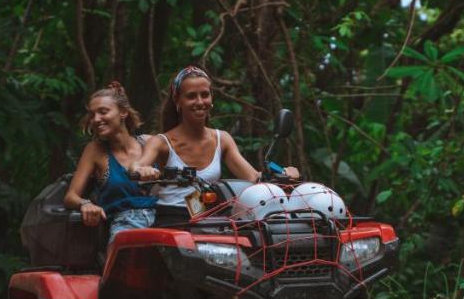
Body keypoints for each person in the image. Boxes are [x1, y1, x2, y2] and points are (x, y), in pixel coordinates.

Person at [132, 65, 296, 224]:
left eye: (205, 95)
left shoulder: (221, 139)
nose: (200, 101)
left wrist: (283, 174)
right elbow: (137, 165)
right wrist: (142, 170)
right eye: (191, 96)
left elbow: (253, 178)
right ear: (177, 100)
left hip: (210, 217)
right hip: (173, 219)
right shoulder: (161, 142)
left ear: (211, 98)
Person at [62, 82, 156, 245]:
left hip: (165, 222)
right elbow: (71, 196)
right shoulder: (95, 151)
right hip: (125, 225)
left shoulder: (150, 143)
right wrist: (86, 204)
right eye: (92, 115)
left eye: (103, 112)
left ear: (123, 112)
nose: (96, 119)